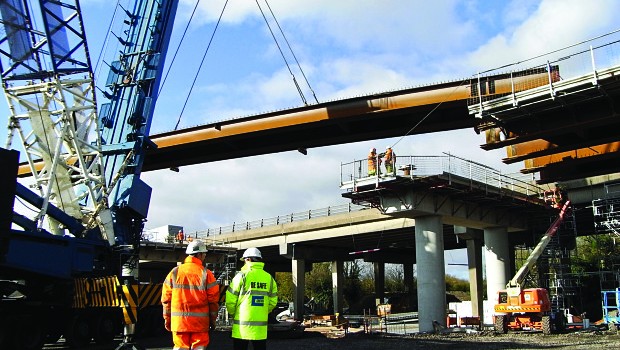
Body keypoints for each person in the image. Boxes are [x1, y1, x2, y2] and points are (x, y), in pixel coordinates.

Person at [162, 240, 220, 350]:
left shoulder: (174, 272)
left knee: (180, 347)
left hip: (179, 323)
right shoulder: (206, 274)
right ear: (199, 254)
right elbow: (213, 300)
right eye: (204, 254)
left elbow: (166, 299)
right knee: (199, 347)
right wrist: (213, 320)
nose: (204, 257)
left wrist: (167, 319)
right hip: (200, 324)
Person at [226, 248, 278, 350]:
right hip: (260, 330)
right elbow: (273, 302)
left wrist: (233, 313)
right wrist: (262, 311)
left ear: (248, 259)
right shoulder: (269, 278)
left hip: (241, 327)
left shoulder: (241, 276)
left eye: (244, 260)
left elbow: (230, 300)